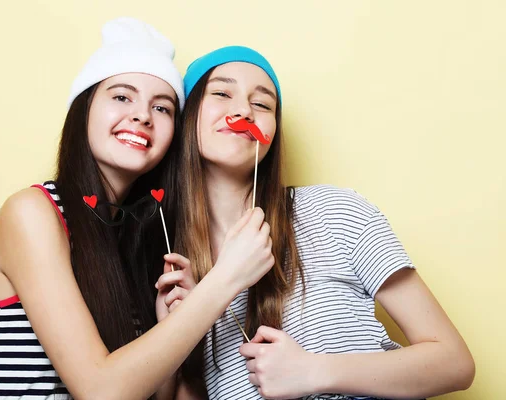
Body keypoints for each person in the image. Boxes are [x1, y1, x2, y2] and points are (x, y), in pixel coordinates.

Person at [0, 20, 275, 400]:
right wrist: (226, 278)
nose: (143, 116)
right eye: (121, 97)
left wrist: (170, 324)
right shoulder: (32, 214)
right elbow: (100, 392)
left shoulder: (140, 235)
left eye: (162, 108)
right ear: (83, 108)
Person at [168, 45, 475, 399]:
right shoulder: (174, 275)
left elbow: (455, 363)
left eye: (263, 104)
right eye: (222, 93)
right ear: (187, 115)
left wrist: (313, 371)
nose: (243, 111)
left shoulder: (335, 211)